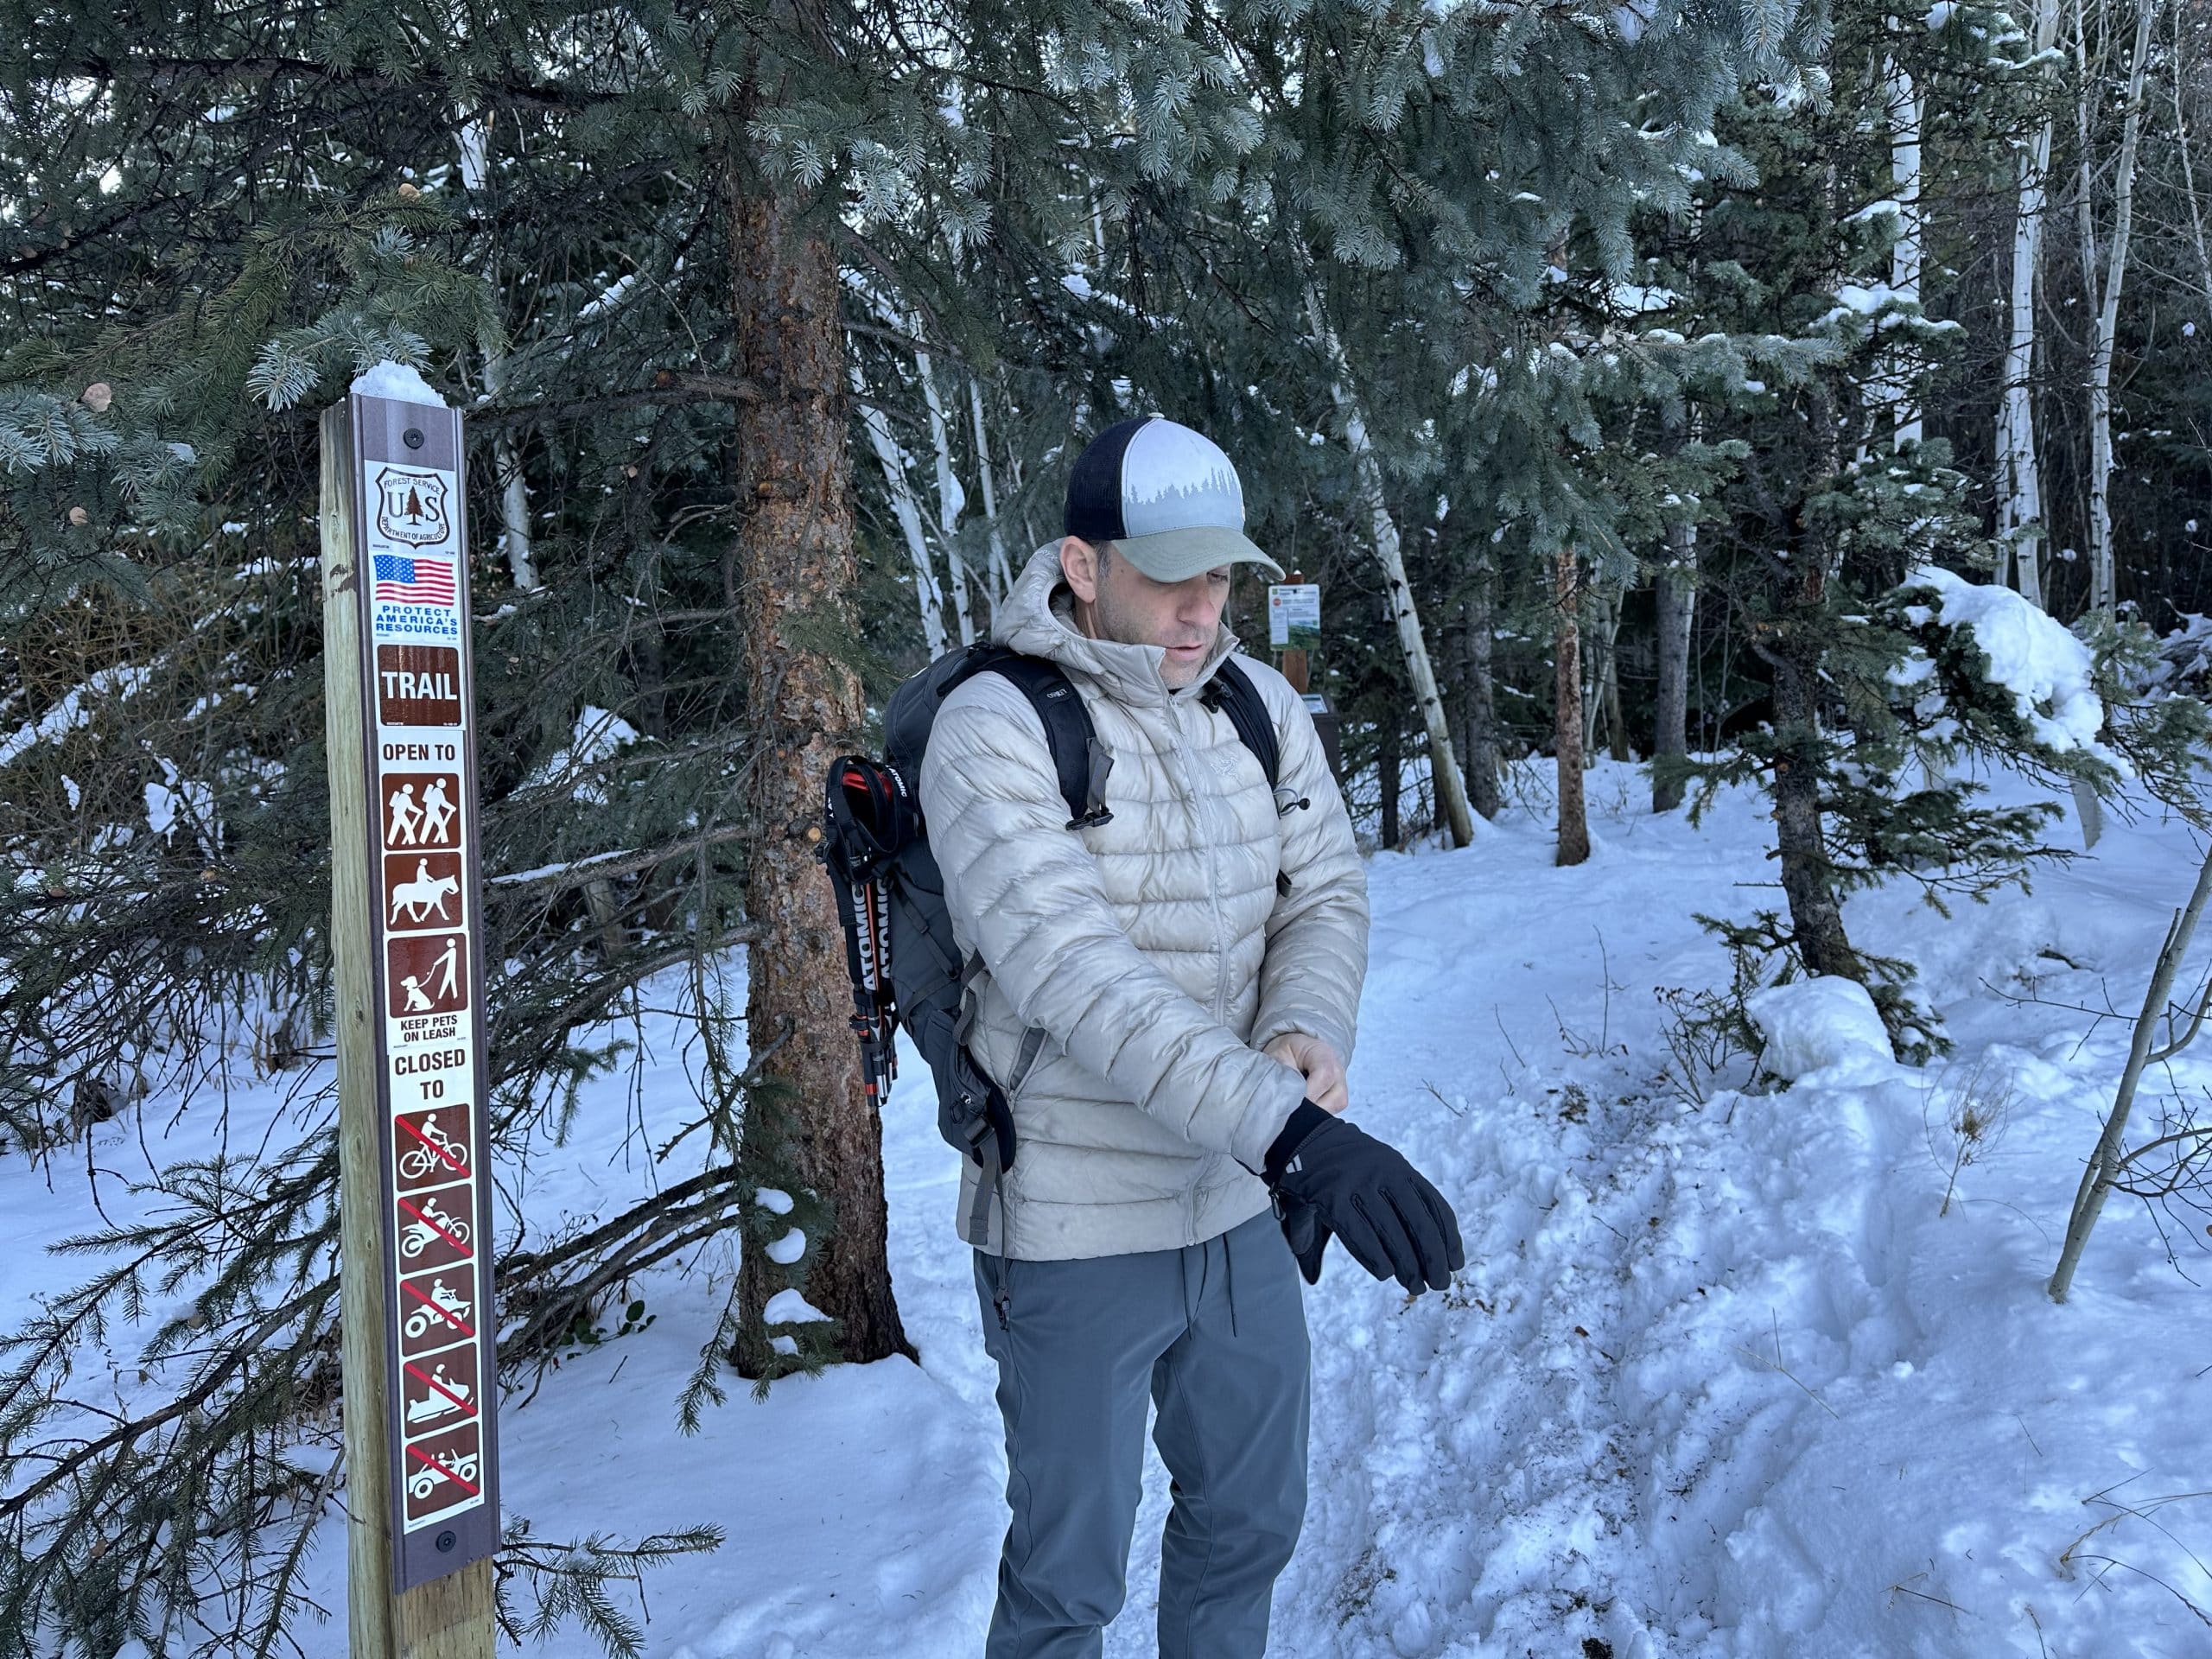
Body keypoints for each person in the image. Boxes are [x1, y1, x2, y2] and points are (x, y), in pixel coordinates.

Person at [919, 415, 1462, 1659]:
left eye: (1219, 575)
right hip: (1072, 1218)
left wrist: (1304, 1027)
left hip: (1234, 1199)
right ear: (1082, 564)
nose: (1201, 610)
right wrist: (1297, 1138)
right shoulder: (994, 727)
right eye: (1169, 576)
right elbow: (1075, 973)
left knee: (1251, 1521)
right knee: (1067, 1579)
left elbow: (1320, 892)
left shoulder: (1259, 707)